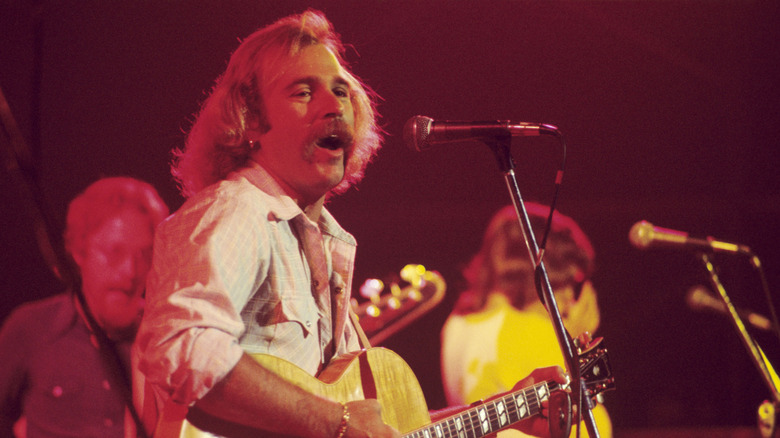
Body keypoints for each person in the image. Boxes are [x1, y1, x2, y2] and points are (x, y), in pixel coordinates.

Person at [134, 9, 567, 438]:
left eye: (341, 92)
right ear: (250, 120)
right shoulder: (239, 211)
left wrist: (501, 412)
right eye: (303, 92)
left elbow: (376, 430)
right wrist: (335, 423)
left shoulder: (322, 240)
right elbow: (182, 347)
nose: (334, 106)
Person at [0, 176, 169, 438]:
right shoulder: (30, 328)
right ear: (79, 251)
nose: (130, 271)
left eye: (145, 254)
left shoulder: (162, 337)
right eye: (115, 252)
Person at [440, 203, 613, 437]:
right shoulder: (528, 329)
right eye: (572, 284)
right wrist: (569, 346)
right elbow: (591, 427)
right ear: (549, 277)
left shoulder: (455, 325)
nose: (570, 301)